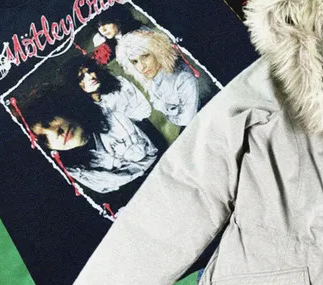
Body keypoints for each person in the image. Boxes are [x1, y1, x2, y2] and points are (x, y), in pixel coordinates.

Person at [20, 85, 158, 194]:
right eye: (43, 139)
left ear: (60, 109)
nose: (55, 132)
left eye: (48, 121)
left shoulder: (114, 116)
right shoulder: (77, 174)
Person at [116, 29, 201, 127]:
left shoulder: (183, 78)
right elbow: (157, 104)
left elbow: (186, 120)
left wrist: (169, 112)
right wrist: (172, 110)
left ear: (157, 52)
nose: (141, 66)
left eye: (145, 56)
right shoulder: (152, 82)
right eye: (135, 62)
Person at [61, 55, 151, 121]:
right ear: (74, 85)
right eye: (81, 77)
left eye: (90, 71)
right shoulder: (85, 113)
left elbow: (144, 108)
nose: (90, 77)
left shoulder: (119, 83)